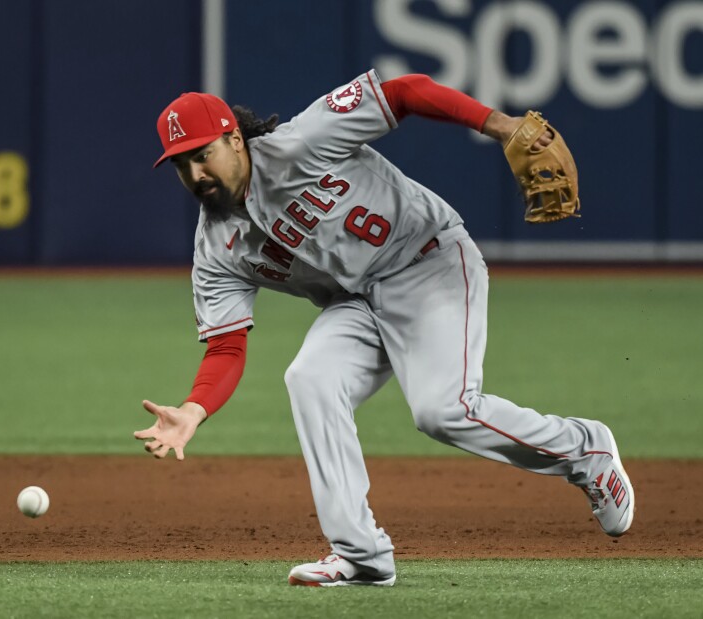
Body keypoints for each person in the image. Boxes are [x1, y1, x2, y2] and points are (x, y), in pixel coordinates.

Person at [136, 69, 634, 587]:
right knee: (311, 378)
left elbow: (404, 91)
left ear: (234, 140)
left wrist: (502, 126)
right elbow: (225, 346)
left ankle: (585, 450)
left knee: (444, 411)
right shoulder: (215, 247)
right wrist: (193, 409)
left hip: (429, 262)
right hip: (359, 302)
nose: (196, 174)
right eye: (181, 164)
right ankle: (361, 555)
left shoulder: (303, 142)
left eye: (202, 154)